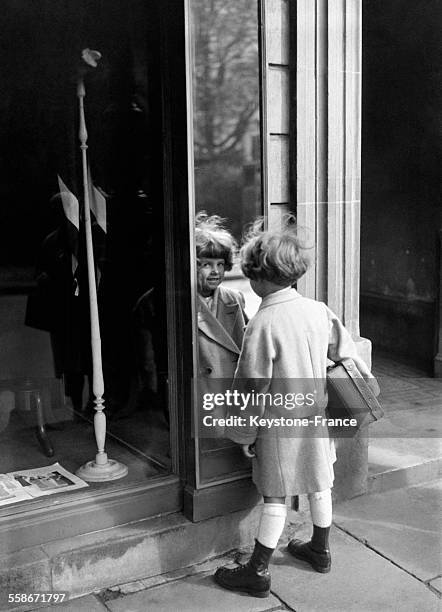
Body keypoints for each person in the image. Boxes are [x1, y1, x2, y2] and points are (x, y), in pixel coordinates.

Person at [214, 218, 377, 598]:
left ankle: (257, 571)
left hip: (278, 424)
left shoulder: (263, 322)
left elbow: (252, 386)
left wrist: (243, 434)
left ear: (257, 277)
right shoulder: (318, 310)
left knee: (275, 495)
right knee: (321, 484)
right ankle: (320, 549)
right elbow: (349, 360)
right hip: (318, 418)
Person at [195, 213, 247, 433]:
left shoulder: (234, 298)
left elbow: (245, 342)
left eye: (220, 264)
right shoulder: (178, 302)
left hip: (229, 386)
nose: (215, 271)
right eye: (206, 264)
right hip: (200, 389)